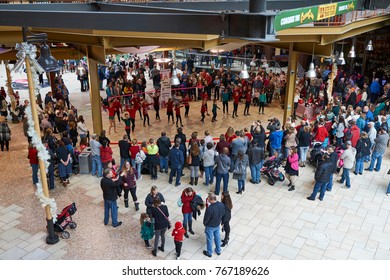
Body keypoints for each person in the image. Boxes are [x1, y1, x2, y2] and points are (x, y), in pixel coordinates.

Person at [203, 193, 225, 258]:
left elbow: (206, 219)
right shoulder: (221, 204)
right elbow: (223, 213)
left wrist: (205, 224)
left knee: (209, 239)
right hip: (217, 225)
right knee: (217, 237)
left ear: (211, 200)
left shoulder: (210, 208)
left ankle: (209, 253)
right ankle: (218, 250)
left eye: (208, 199)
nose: (208, 200)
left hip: (210, 226)